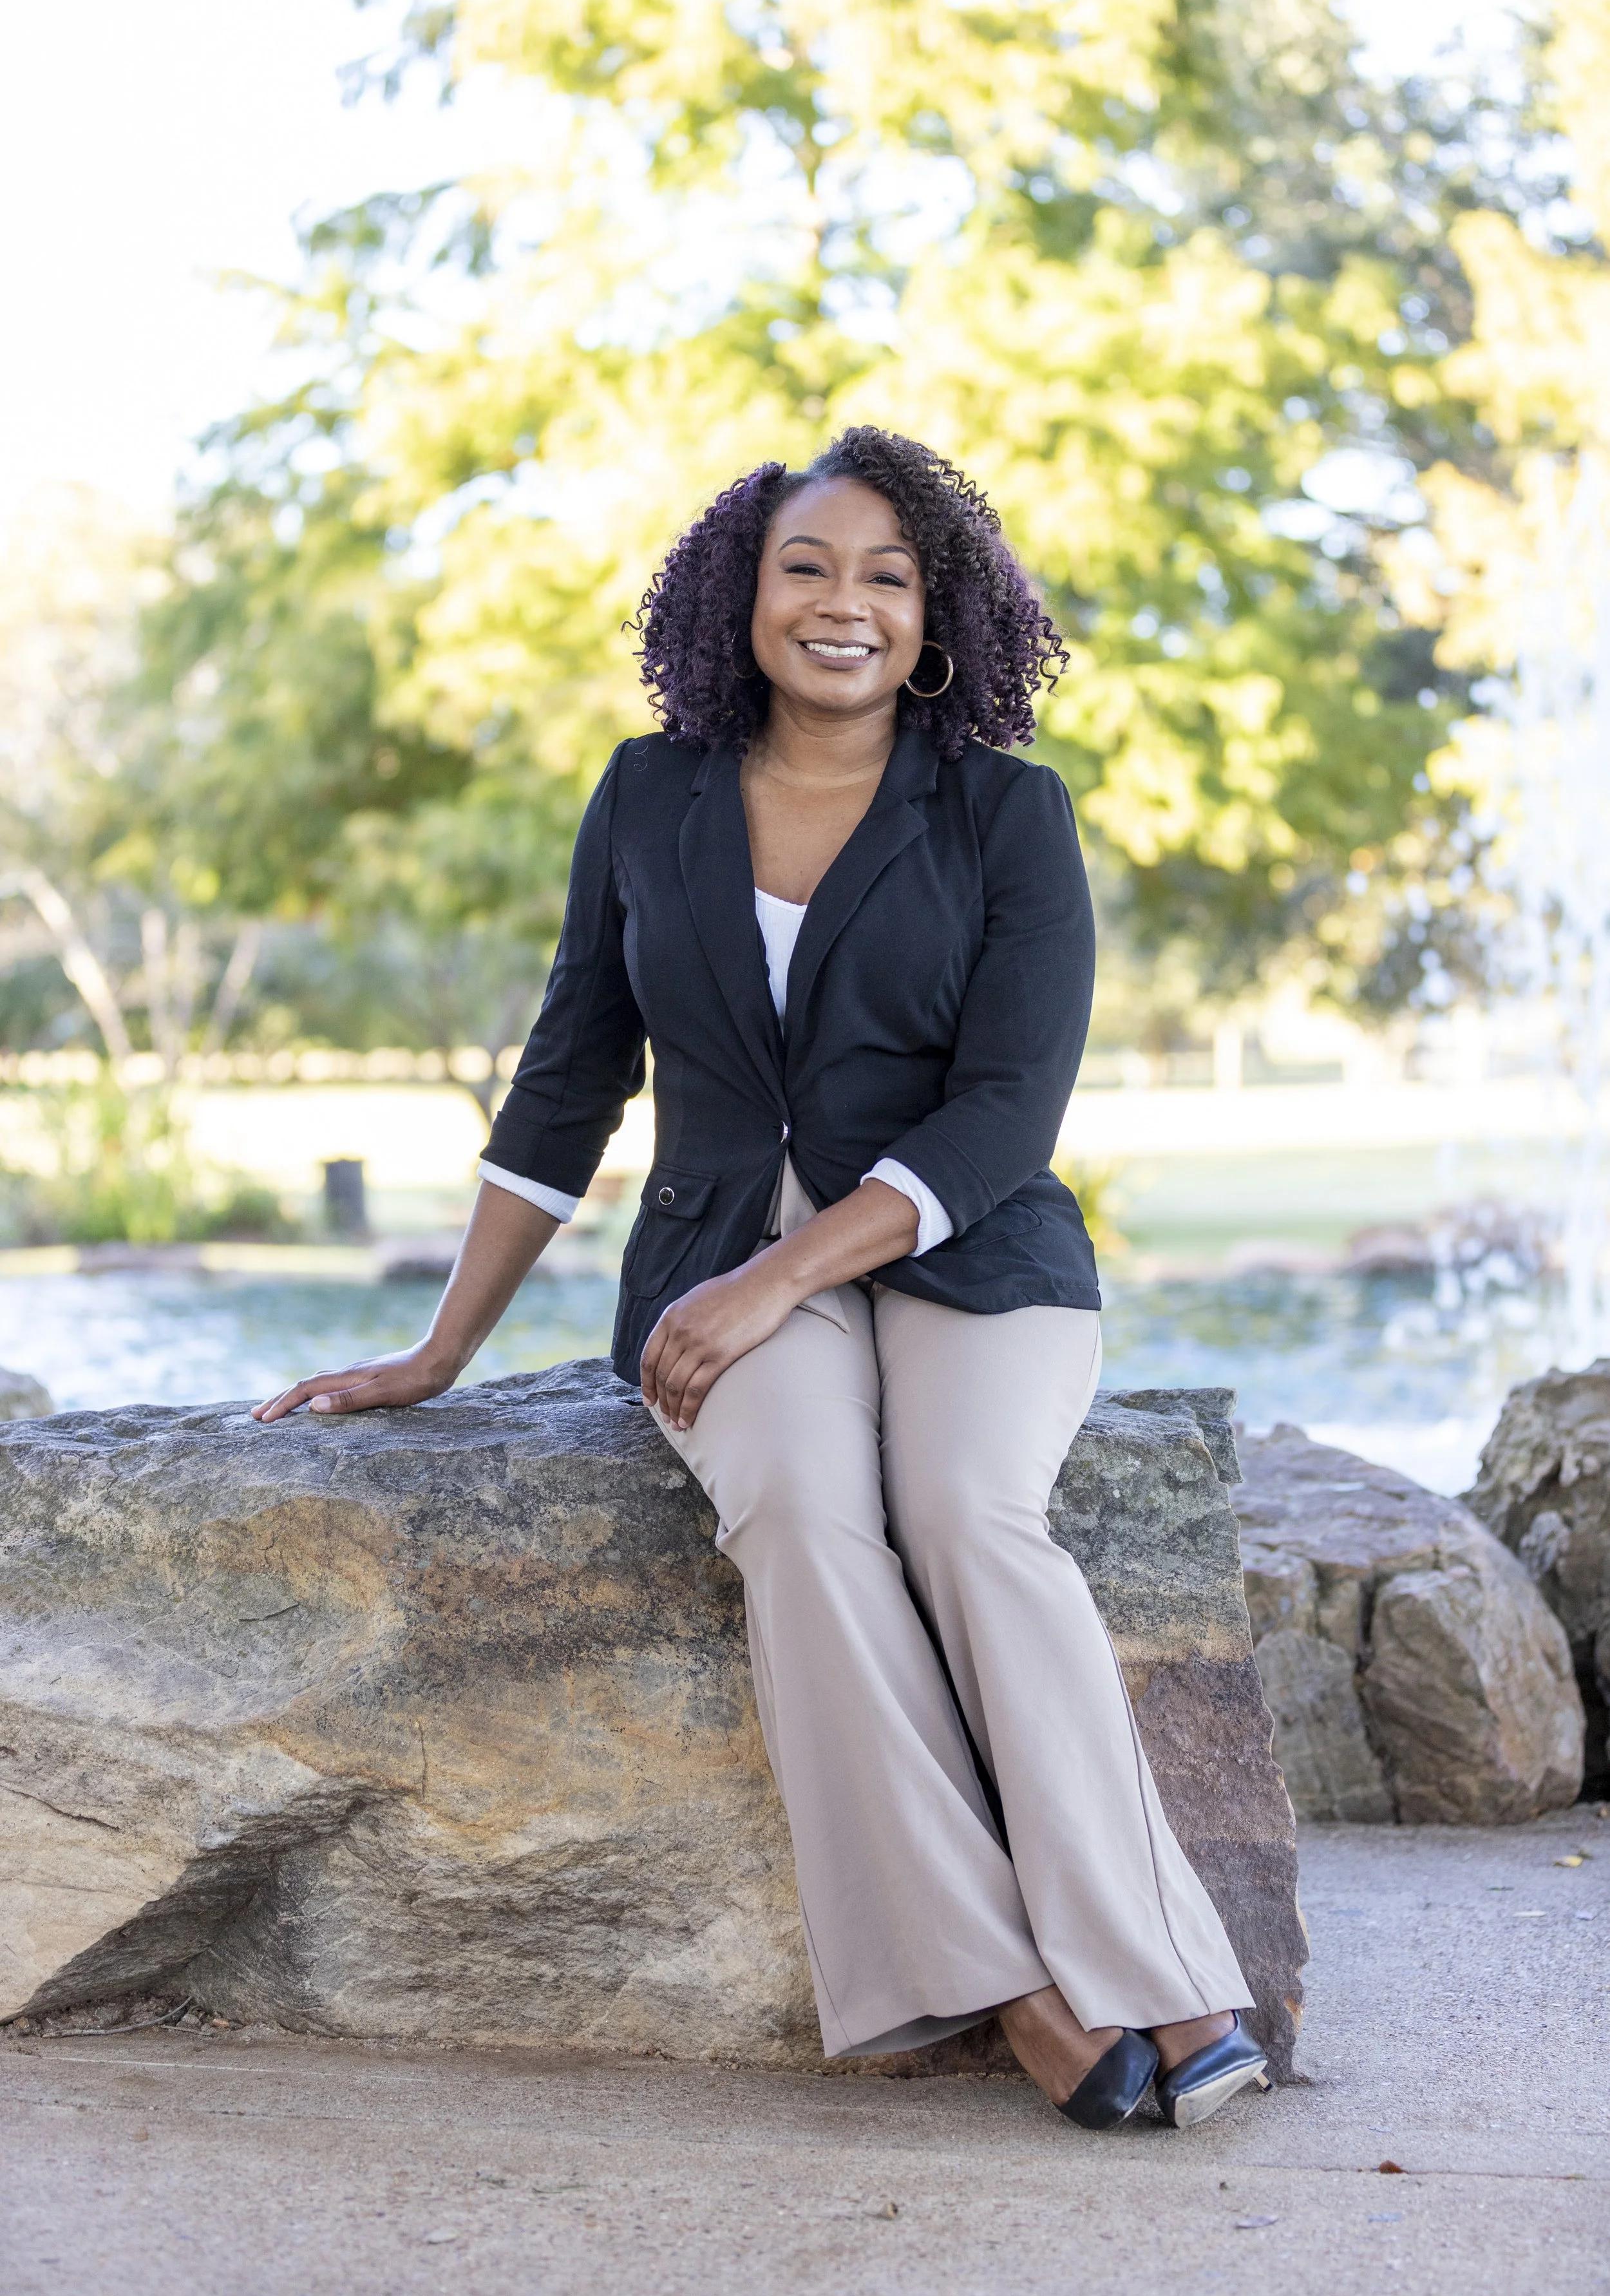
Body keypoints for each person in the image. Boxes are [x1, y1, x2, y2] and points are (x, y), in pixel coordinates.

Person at [254, 425, 1267, 2132]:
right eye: (806, 566)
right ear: (741, 596)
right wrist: (439, 1350)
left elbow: (1009, 1108)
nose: (843, 602)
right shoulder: (647, 795)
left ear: (935, 616)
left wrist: (781, 1280)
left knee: (965, 1511)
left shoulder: (1009, 813)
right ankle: (1009, 1982)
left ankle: (1161, 1966)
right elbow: (570, 1079)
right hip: (716, 1247)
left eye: (886, 573)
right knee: (798, 1507)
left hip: (967, 1251)